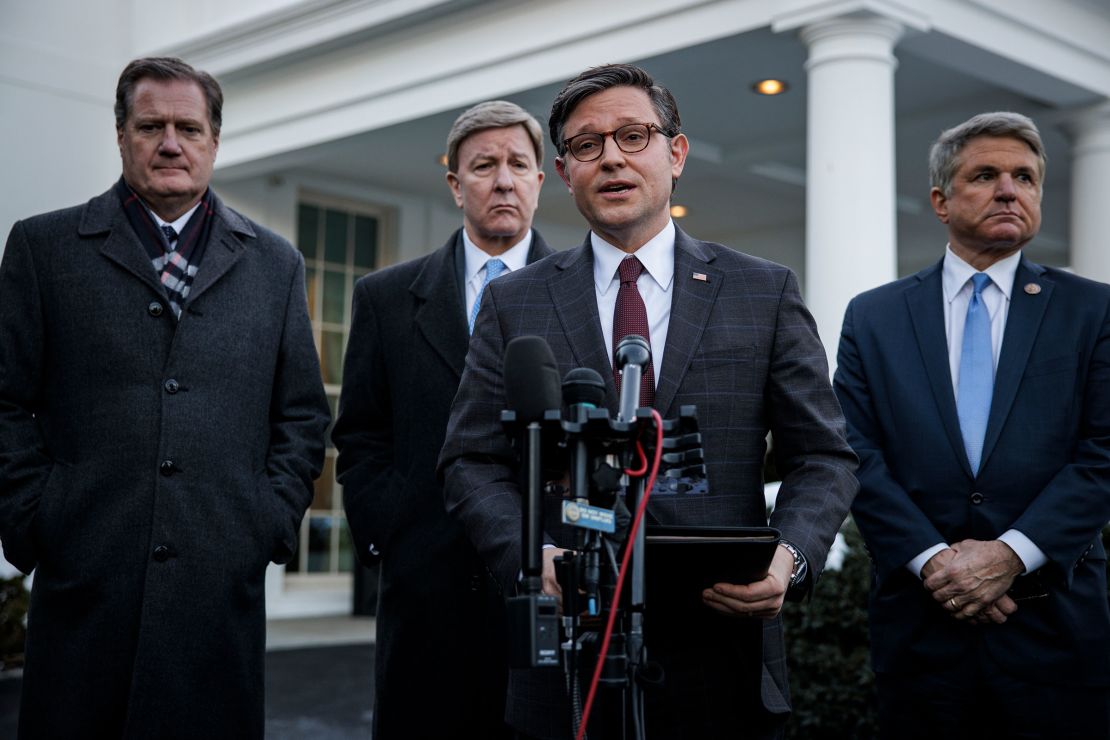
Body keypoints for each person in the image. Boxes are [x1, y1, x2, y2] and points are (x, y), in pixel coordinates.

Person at [438, 64, 858, 740]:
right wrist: (529, 554)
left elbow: (825, 456)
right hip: (572, 653)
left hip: (724, 649)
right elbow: (469, 459)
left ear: (676, 153)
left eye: (633, 136)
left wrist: (791, 559)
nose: (611, 157)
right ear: (565, 171)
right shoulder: (515, 301)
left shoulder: (764, 292)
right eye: (586, 145)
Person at [0, 57, 330, 738]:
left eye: (189, 127)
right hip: (85, 585)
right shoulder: (44, 248)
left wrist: (266, 522)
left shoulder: (275, 263)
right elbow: (5, 400)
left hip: (218, 591)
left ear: (214, 140)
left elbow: (301, 415)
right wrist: (39, 517)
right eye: (151, 126)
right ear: (121, 134)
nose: (170, 143)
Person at [834, 111, 1110, 739]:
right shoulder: (875, 317)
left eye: (1026, 177)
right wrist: (934, 561)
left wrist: (1011, 555)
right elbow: (854, 451)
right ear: (940, 200)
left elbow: (1105, 452)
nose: (1010, 190)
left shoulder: (1093, 310)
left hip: (1056, 634)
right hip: (921, 637)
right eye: (985, 175)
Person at [332, 100, 552, 739]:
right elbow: (361, 432)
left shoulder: (584, 292)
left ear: (541, 180)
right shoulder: (385, 298)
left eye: (518, 163)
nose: (503, 179)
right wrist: (390, 533)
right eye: (483, 165)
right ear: (456, 186)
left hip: (543, 591)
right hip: (424, 592)